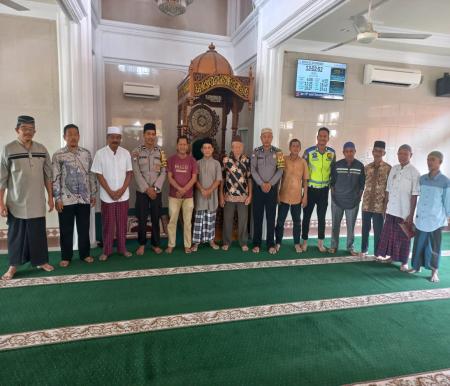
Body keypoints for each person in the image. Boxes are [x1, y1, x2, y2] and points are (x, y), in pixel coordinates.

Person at [0, 115, 54, 280]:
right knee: (16, 236)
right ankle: (13, 266)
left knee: (37, 234)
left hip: (37, 202)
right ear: (17, 130)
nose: (28, 132)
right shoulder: (8, 149)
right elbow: (2, 179)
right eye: (24, 129)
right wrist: (1, 203)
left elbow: (48, 176)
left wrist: (50, 197)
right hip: (16, 203)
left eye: (31, 129)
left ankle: (41, 261)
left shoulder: (42, 149)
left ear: (35, 131)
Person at [52, 123, 97, 267]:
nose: (73, 137)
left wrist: (93, 193)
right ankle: (66, 256)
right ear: (64, 137)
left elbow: (91, 174)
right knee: (66, 229)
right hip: (65, 199)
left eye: (75, 134)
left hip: (84, 198)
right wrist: (57, 198)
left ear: (79, 136)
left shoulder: (86, 153)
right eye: (69, 134)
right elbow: (55, 177)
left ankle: (85, 254)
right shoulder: (58, 155)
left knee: (84, 228)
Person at [91, 126, 133, 261]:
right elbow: (99, 175)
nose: (115, 140)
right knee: (108, 224)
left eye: (117, 137)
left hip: (123, 196)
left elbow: (129, 174)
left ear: (120, 139)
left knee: (122, 223)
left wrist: (121, 191)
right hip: (107, 196)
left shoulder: (126, 153)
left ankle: (122, 248)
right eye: (112, 137)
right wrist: (110, 191)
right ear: (107, 138)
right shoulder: (100, 153)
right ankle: (107, 250)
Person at [376, 144, 420, 271]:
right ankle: (390, 257)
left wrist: (411, 215)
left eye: (405, 154)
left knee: (404, 238)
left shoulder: (414, 172)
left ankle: (404, 262)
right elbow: (388, 189)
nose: (402, 156)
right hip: (392, 209)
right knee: (390, 235)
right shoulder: (394, 169)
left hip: (404, 212)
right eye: (400, 153)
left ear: (410, 155)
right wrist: (385, 207)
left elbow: (414, 195)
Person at [409, 151, 450, 282]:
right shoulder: (422, 179)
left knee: (434, 247)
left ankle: (434, 272)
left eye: (432, 159)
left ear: (440, 162)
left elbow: (447, 201)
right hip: (421, 218)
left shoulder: (445, 181)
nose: (429, 162)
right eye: (428, 159)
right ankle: (416, 267)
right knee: (418, 244)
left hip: (435, 220)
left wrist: (448, 218)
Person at [131, 123, 166, 256]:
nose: (151, 136)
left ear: (155, 135)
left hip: (156, 191)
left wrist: (155, 188)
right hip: (142, 192)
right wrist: (147, 189)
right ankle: (141, 244)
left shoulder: (161, 152)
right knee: (142, 218)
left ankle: (156, 244)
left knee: (156, 217)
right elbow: (136, 172)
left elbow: (164, 172)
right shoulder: (136, 152)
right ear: (144, 135)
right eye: (148, 134)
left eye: (153, 134)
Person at [302, 127, 336, 252]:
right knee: (306, 217)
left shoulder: (331, 153)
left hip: (323, 191)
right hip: (310, 190)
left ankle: (320, 243)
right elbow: (303, 172)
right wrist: (304, 193)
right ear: (317, 137)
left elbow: (333, 172)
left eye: (325, 136)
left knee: (322, 217)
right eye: (320, 136)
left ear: (328, 138)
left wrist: (332, 189)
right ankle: (304, 242)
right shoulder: (308, 152)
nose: (322, 138)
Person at [251, 128, 284, 254]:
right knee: (257, 218)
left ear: (272, 137)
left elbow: (280, 170)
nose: (266, 139)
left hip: (272, 190)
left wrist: (270, 184)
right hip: (258, 189)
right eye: (264, 136)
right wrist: (261, 183)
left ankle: (271, 244)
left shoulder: (279, 152)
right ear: (261, 138)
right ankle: (256, 244)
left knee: (271, 218)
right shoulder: (255, 152)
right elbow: (253, 170)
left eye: (269, 136)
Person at [328, 142, 365, 255]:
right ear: (343, 152)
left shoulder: (359, 166)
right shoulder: (337, 165)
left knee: (351, 226)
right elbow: (332, 183)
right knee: (335, 225)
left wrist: (358, 198)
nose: (349, 153)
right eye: (347, 151)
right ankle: (334, 246)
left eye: (351, 151)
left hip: (353, 202)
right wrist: (334, 197)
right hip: (337, 201)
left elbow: (362, 184)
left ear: (354, 151)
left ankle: (350, 247)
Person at [275, 138, 308, 253]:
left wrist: (305, 196)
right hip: (283, 195)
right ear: (289, 148)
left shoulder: (303, 162)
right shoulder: (283, 159)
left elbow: (305, 181)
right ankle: (278, 243)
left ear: (300, 148)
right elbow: (278, 177)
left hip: (297, 198)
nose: (295, 148)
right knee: (280, 221)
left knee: (297, 222)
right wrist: (277, 194)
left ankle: (296, 243)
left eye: (297, 146)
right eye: (293, 146)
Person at [219, 135, 252, 252]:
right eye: (234, 147)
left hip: (243, 196)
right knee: (227, 220)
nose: (237, 148)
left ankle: (243, 242)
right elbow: (222, 179)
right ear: (231, 148)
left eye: (239, 146)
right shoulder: (225, 160)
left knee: (243, 220)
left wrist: (250, 195)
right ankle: (226, 242)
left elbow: (249, 179)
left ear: (242, 147)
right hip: (228, 196)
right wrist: (221, 196)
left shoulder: (247, 160)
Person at [166, 136, 197, 254]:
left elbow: (194, 178)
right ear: (177, 145)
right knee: (172, 220)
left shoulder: (192, 160)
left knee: (187, 222)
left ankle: (187, 245)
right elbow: (169, 177)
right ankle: (171, 244)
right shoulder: (171, 160)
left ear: (187, 146)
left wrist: (184, 190)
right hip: (174, 196)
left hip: (188, 197)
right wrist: (179, 189)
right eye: (180, 144)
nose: (183, 146)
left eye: (185, 144)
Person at [359, 141, 391, 257]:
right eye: (375, 150)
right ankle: (364, 250)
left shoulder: (388, 168)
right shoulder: (366, 168)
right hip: (367, 204)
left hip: (379, 206)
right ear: (372, 152)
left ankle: (378, 253)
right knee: (365, 229)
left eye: (380, 151)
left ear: (384, 152)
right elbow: (362, 185)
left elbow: (389, 188)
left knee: (379, 231)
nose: (377, 153)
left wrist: (385, 205)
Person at [191, 139, 222, 251]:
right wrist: (202, 190)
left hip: (212, 196)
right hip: (200, 196)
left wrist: (209, 191)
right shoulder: (197, 163)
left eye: (209, 148)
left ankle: (211, 241)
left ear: (212, 149)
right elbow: (195, 180)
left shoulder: (217, 163)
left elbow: (218, 180)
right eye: (205, 148)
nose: (207, 150)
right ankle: (196, 243)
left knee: (210, 219)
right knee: (199, 220)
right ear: (202, 150)